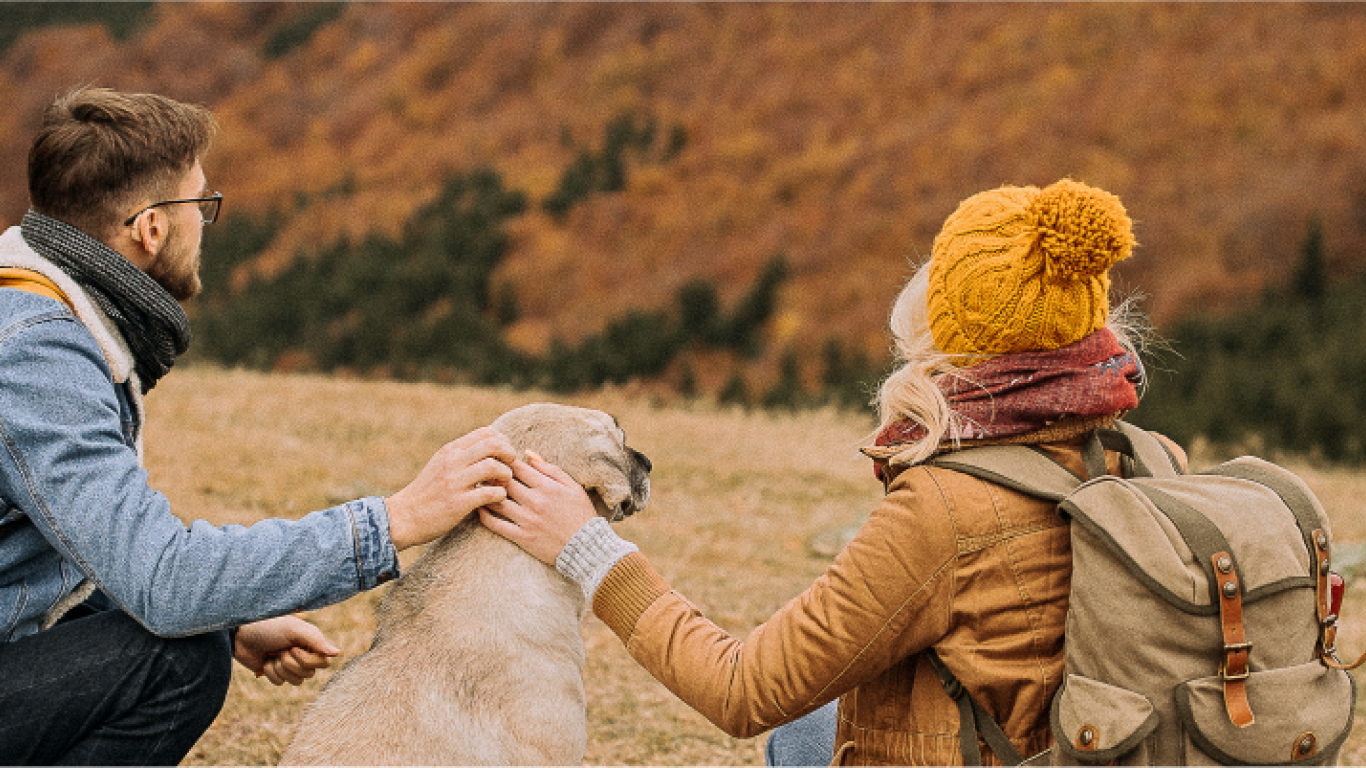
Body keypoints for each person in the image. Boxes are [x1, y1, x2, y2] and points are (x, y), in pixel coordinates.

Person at [486, 179, 1188, 765]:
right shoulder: (1146, 458)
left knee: (791, 719)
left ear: (953, 323)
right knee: (812, 723)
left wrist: (590, 550)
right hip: (1077, 747)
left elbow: (742, 690)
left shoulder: (946, 509)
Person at [0, 87, 517, 765]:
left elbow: (92, 535)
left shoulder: (29, 307)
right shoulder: (38, 353)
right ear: (152, 228)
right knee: (174, 659)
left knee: (191, 632)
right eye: (200, 207)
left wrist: (231, 612)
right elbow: (164, 579)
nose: (203, 227)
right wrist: (396, 519)